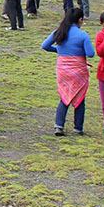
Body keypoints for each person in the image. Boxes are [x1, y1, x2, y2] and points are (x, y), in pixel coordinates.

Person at [42, 7, 96, 136]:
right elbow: (91, 53)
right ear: (80, 20)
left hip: (63, 69)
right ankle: (78, 128)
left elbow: (44, 46)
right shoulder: (82, 35)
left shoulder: (59, 32)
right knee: (80, 97)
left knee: (64, 96)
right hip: (78, 70)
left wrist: (59, 51)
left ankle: (59, 125)